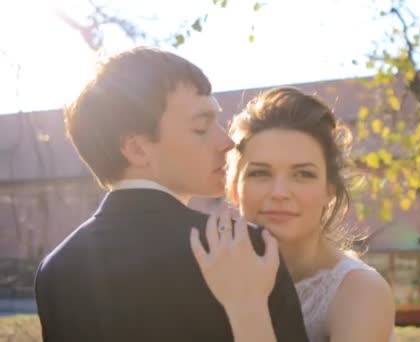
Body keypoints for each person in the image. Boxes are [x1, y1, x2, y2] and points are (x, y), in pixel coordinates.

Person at [34, 47, 308, 342]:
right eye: (202, 127)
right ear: (137, 148)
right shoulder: (243, 248)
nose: (226, 142)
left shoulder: (56, 270)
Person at [190, 87, 395, 341]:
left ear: (329, 190)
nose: (279, 193)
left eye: (303, 174)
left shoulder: (360, 291)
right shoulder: (212, 271)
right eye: (260, 173)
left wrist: (247, 307)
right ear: (233, 189)